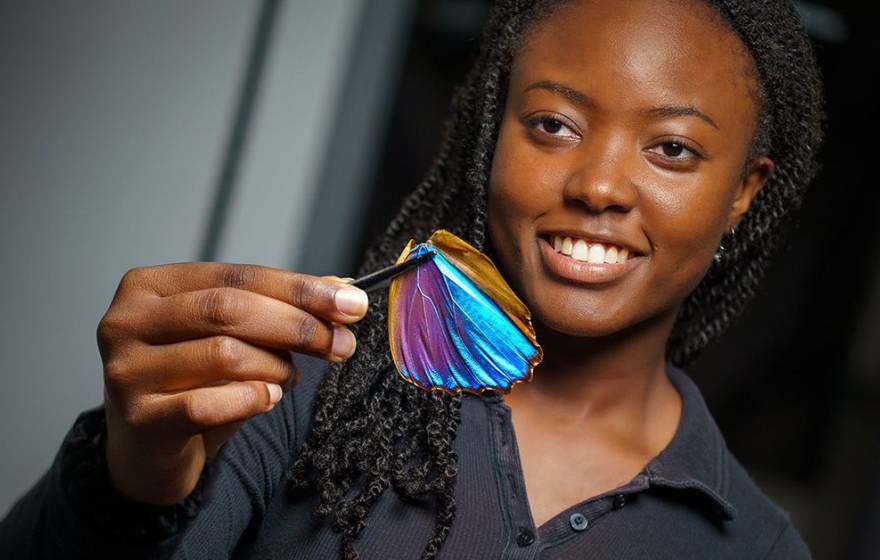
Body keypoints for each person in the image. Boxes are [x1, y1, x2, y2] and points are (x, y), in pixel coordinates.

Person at [0, 0, 824, 558]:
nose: (599, 186)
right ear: (490, 137)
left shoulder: (751, 542)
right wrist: (134, 473)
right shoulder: (300, 389)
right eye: (553, 125)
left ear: (743, 194)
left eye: (671, 148)